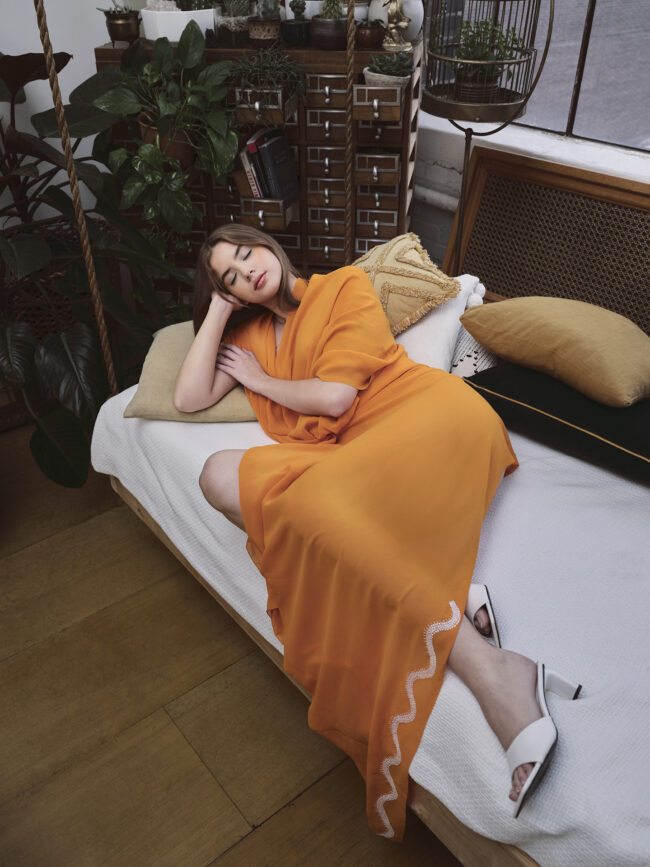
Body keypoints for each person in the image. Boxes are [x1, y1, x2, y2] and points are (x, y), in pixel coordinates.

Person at [174, 224, 581, 841]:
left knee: (312, 506)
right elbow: (186, 398)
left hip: (426, 418)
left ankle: (489, 669)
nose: (246, 271)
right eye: (229, 276)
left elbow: (336, 398)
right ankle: (456, 597)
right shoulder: (251, 333)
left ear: (271, 247)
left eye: (247, 253)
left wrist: (258, 381)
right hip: (355, 458)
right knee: (219, 475)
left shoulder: (343, 287)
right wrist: (219, 313)